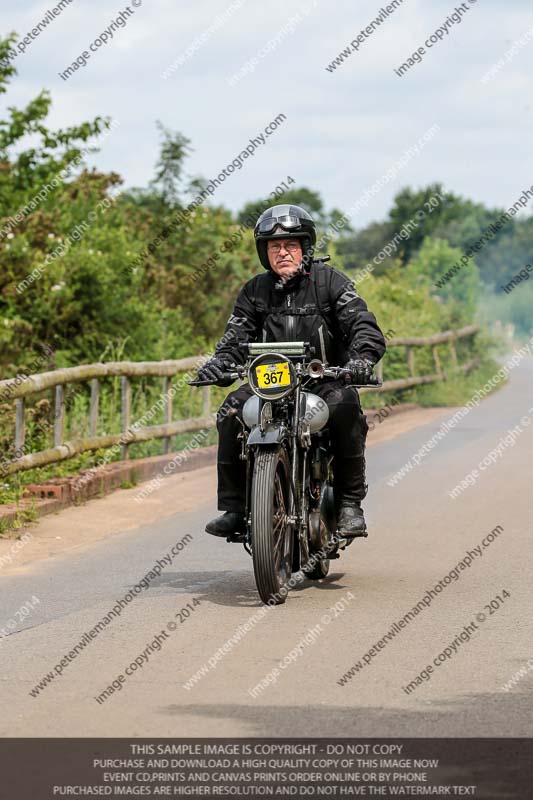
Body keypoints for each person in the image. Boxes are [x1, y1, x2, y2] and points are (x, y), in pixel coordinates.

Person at [197, 204, 386, 539]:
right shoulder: (254, 291)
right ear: (264, 252)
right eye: (274, 247)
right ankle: (237, 508)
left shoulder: (331, 282)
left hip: (324, 381)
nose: (282, 252)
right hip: (269, 384)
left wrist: (360, 360)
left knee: (345, 407)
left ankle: (348, 505)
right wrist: (220, 363)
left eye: (291, 246)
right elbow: (235, 338)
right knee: (230, 411)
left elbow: (363, 326)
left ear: (306, 248)